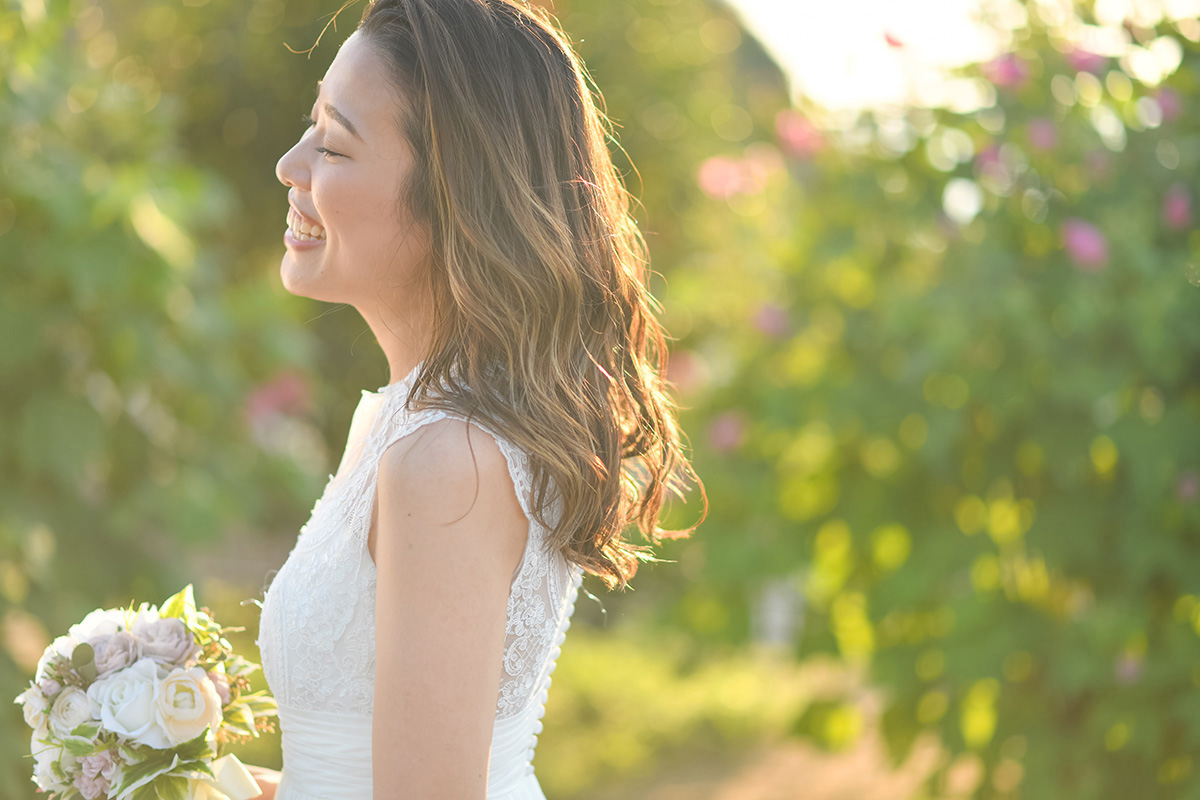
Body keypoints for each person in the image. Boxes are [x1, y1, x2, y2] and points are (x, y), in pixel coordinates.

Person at [249, 0, 704, 797]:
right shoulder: (407, 426)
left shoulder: (446, 460)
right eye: (307, 126)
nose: (291, 165)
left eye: (333, 145)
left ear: (452, 195)